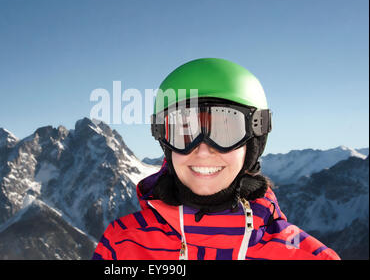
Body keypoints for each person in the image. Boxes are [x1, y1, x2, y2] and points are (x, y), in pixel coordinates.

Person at [92, 58, 340, 260]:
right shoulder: (121, 245)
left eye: (225, 130)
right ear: (165, 140)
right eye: (184, 131)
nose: (202, 149)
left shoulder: (308, 256)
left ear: (254, 140)